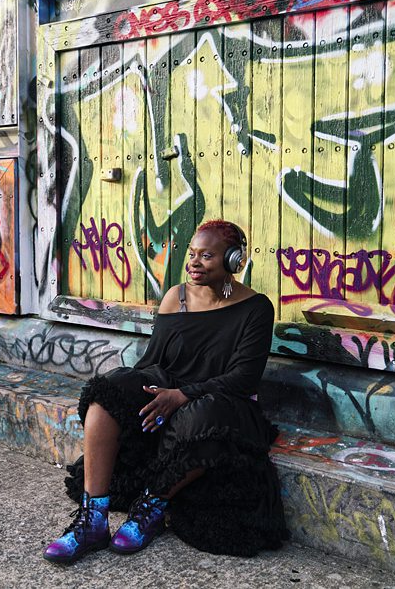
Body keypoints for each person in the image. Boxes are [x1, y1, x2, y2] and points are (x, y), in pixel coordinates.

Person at [42, 219, 288, 564]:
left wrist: (183, 395)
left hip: (222, 401)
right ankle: (93, 519)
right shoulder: (177, 296)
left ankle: (151, 505)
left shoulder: (256, 308)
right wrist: (150, 392)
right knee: (108, 390)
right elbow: (154, 359)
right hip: (172, 389)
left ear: (234, 261)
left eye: (208, 256)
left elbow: (244, 378)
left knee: (206, 416)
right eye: (192, 254)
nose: (194, 263)